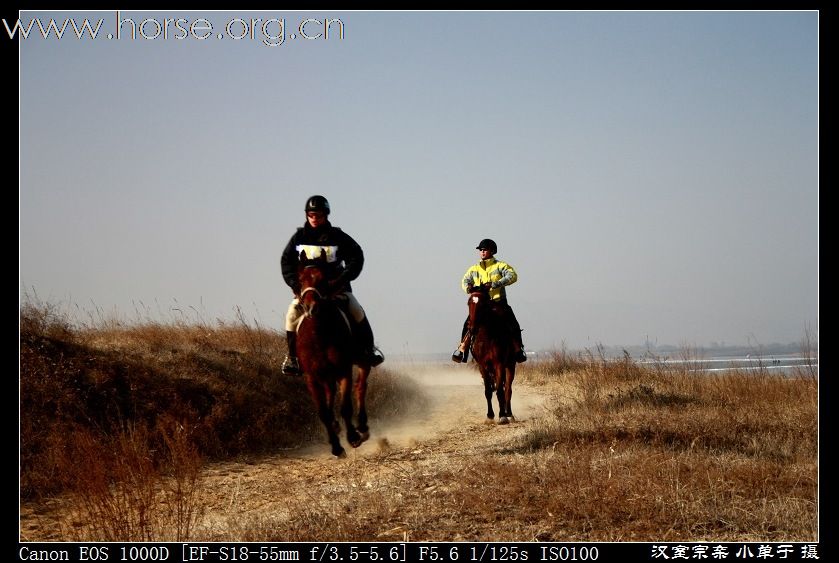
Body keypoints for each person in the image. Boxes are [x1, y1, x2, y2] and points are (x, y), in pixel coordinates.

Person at [280, 195, 384, 375]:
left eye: (318, 215)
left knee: (357, 311)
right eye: (311, 215)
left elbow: (356, 256)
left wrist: (344, 278)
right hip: (308, 293)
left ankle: (369, 351)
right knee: (290, 316)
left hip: (336, 291)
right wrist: (295, 285)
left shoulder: (337, 236)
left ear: (325, 215)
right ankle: (292, 359)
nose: (314, 219)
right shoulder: (299, 237)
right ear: (307, 215)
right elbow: (286, 262)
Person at [451, 238, 527, 363]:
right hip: (481, 305)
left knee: (512, 322)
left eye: (484, 250)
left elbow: (513, 276)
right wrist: (468, 288)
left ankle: (518, 349)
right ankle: (462, 349)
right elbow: (464, 281)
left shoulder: (500, 266)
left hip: (498, 302)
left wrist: (496, 284)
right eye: (480, 250)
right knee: (468, 323)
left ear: (492, 251)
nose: (482, 252)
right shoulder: (474, 269)